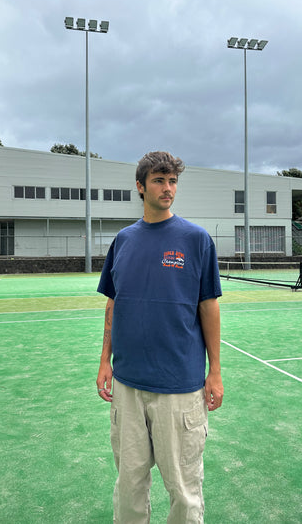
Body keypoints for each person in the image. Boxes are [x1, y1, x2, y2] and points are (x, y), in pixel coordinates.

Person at [96, 151, 223, 523]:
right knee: (129, 485)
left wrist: (214, 370)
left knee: (184, 491)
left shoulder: (196, 240)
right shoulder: (123, 241)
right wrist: (105, 360)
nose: (168, 188)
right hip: (128, 384)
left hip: (180, 387)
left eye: (172, 181)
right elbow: (113, 304)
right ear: (141, 186)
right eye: (159, 180)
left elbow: (208, 307)